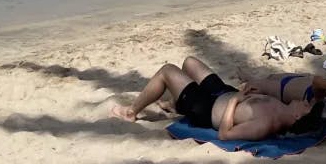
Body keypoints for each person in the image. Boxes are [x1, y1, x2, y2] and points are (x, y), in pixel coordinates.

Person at [110, 56, 313, 140]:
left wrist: (235, 101)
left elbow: (225, 134)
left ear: (297, 117)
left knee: (167, 70)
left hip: (206, 108)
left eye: (307, 107)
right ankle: (176, 104)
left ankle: (131, 112)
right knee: (189, 62)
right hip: (223, 92)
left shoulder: (266, 124)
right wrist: (255, 92)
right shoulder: (283, 107)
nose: (306, 101)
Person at [241, 61, 326, 107]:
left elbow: (317, 81)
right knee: (271, 76)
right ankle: (250, 77)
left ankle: (247, 77)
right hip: (300, 79)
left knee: (253, 83)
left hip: (283, 88)